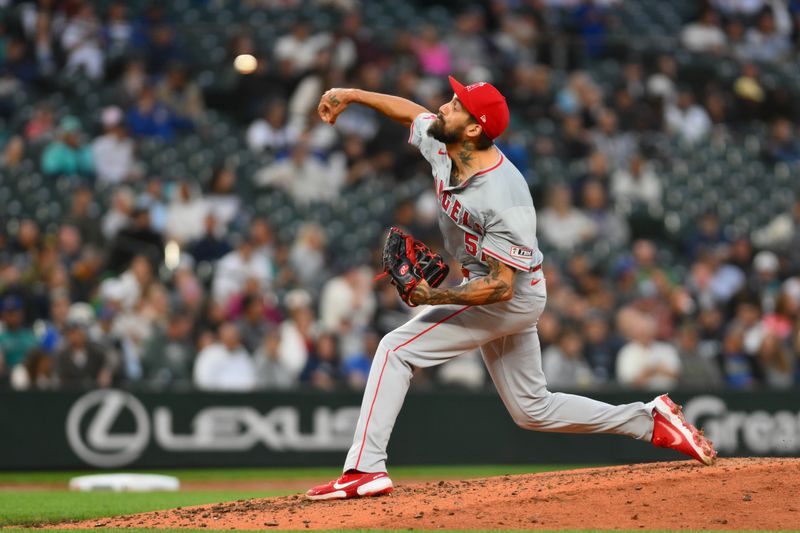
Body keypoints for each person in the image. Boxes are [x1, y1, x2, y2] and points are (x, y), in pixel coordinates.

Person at [305, 76, 716, 500]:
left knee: (396, 349)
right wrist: (352, 95)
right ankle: (650, 421)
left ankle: (364, 469)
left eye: (455, 104)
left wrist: (434, 296)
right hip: (493, 287)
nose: (443, 107)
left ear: (473, 129)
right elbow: (410, 112)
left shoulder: (505, 197)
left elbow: (501, 287)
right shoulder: (445, 144)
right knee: (532, 409)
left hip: (510, 296)